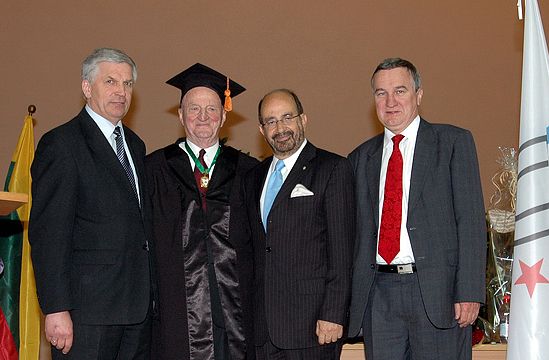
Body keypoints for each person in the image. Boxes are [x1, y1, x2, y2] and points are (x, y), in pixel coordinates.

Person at [347, 57, 486, 360]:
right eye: (381, 93)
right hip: (379, 297)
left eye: (400, 90)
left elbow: (471, 221)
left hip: (438, 295)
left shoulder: (452, 143)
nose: (390, 101)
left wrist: (470, 292)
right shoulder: (359, 158)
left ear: (419, 95)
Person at [29, 48, 154, 359]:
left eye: (127, 84)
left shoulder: (136, 146)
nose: (120, 92)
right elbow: (49, 235)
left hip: (136, 312)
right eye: (110, 81)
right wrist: (56, 309)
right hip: (87, 315)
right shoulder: (61, 144)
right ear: (87, 87)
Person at [145, 63, 258, 360]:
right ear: (181, 115)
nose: (203, 117)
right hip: (176, 310)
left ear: (223, 116)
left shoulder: (249, 171)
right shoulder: (154, 169)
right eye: (194, 109)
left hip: (236, 307)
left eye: (211, 109)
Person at [242, 89, 355, 359]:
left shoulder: (332, 169)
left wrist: (333, 314)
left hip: (313, 328)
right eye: (270, 121)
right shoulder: (253, 177)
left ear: (303, 120)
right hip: (263, 330)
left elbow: (342, 253)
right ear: (261, 129)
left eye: (287, 117)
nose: (280, 128)